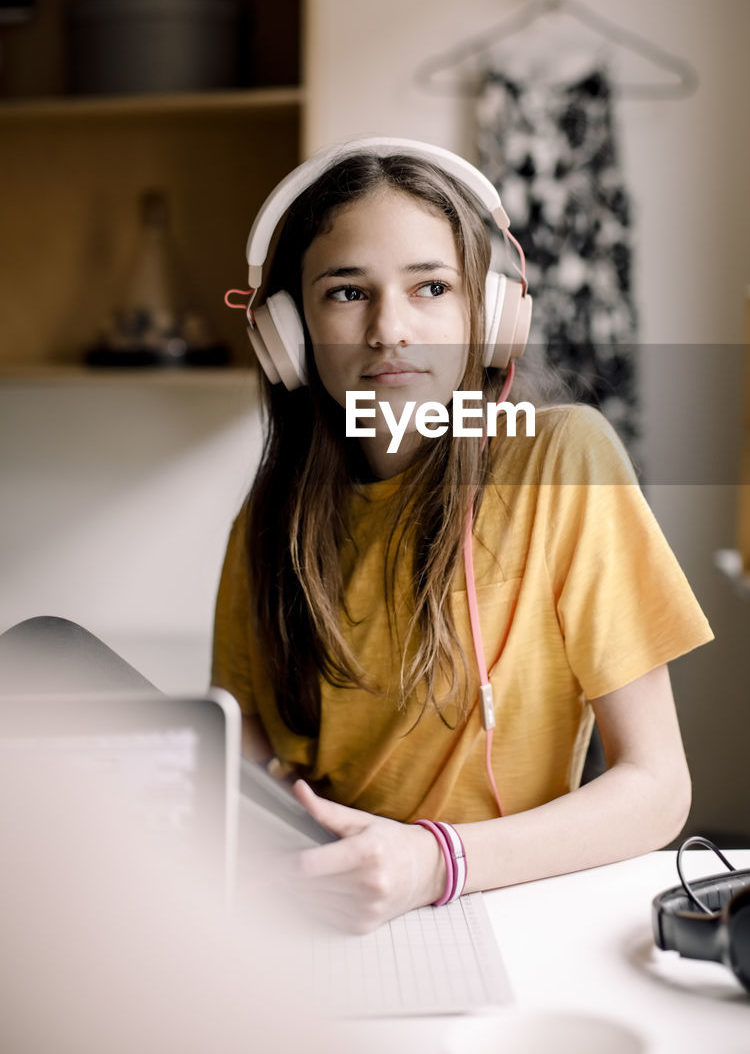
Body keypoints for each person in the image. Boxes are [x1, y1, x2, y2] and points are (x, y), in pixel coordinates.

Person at [212, 136, 713, 933]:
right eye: (346, 293)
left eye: (431, 287)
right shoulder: (267, 521)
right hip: (330, 919)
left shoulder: (562, 460)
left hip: (507, 908)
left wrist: (431, 862)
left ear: (489, 311)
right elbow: (239, 761)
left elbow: (657, 788)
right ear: (288, 330)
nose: (390, 329)